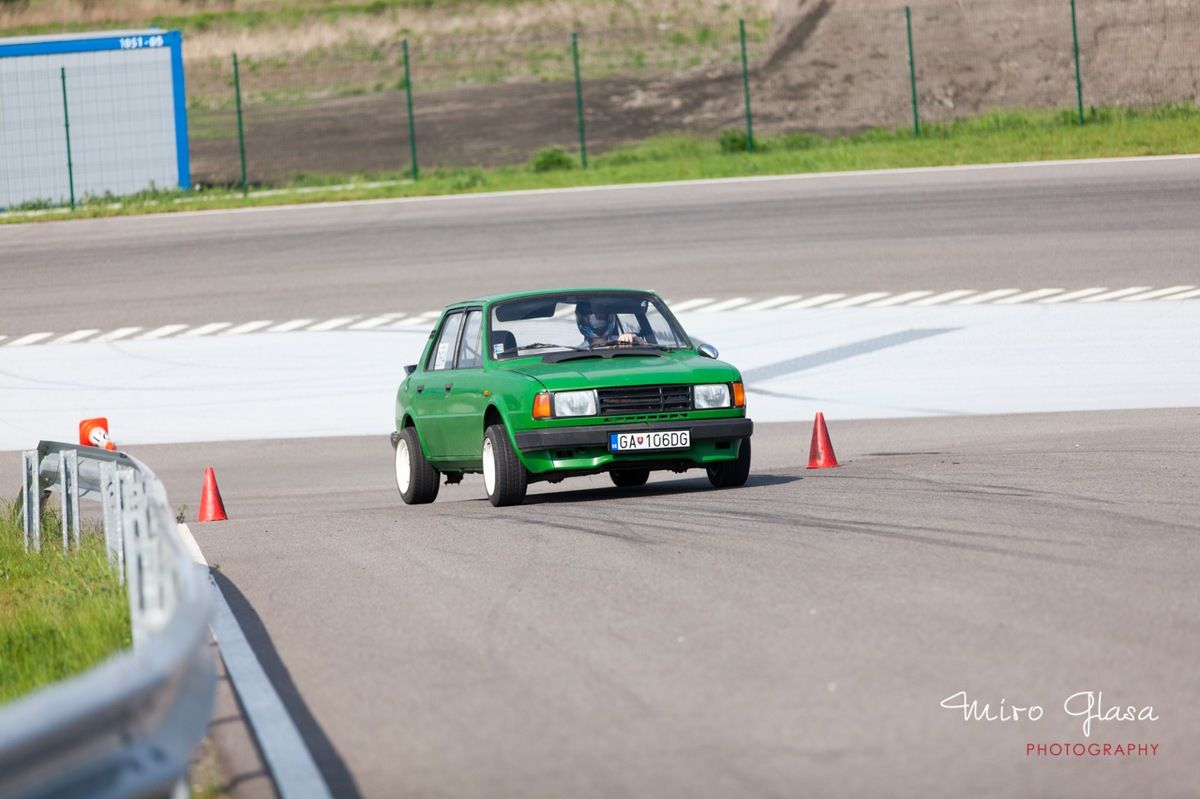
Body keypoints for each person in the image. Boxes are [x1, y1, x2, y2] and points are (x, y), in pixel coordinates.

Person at [575, 301, 643, 348]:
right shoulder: (578, 352)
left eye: (602, 314)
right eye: (592, 315)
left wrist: (632, 338)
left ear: (609, 317)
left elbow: (644, 347)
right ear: (583, 319)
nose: (598, 317)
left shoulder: (622, 342)